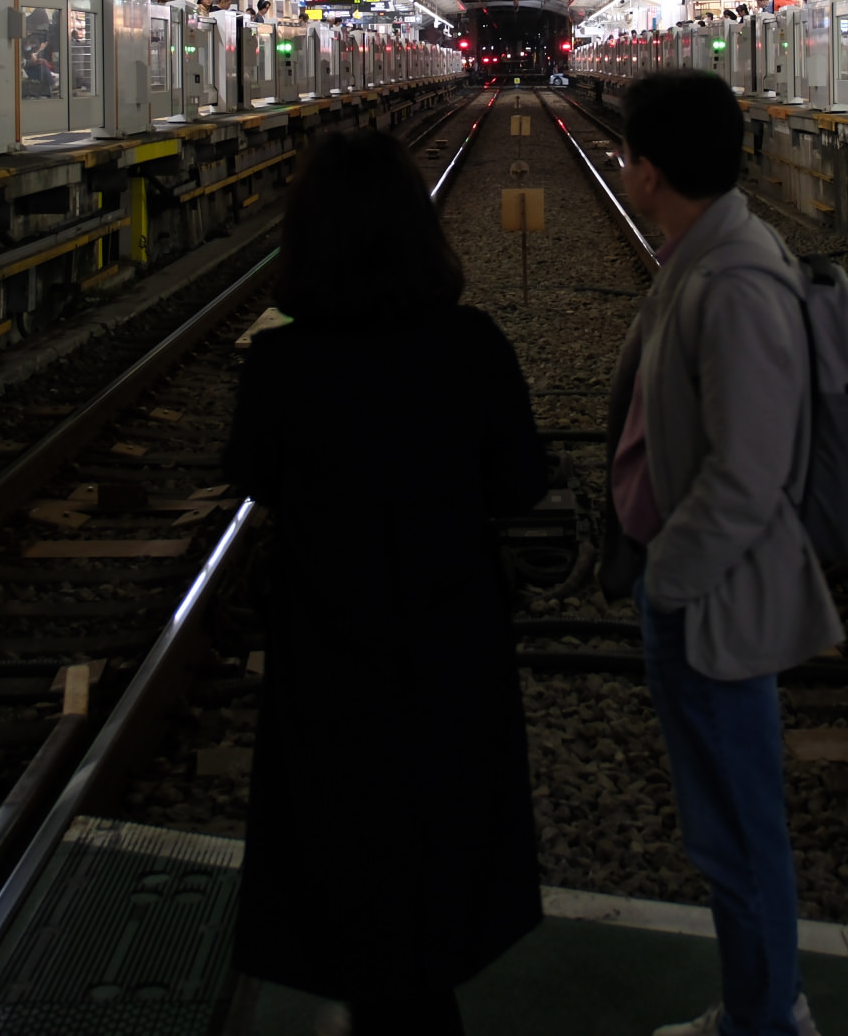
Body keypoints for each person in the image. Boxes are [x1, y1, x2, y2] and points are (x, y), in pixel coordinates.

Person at [227, 128, 549, 1034]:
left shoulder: (280, 363)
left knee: (344, 827)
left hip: (326, 642)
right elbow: (520, 483)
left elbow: (251, 474)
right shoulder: (473, 347)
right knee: (445, 824)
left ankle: (376, 993)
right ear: (420, 232)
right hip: (451, 635)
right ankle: (424, 991)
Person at [600, 69, 841, 1036]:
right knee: (725, 828)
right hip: (698, 589)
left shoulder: (733, 280)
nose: (622, 169)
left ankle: (769, 1020)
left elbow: (748, 472)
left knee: (740, 832)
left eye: (627, 155)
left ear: (650, 171)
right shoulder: (703, 255)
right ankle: (758, 1006)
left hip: (713, 599)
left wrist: (671, 578)